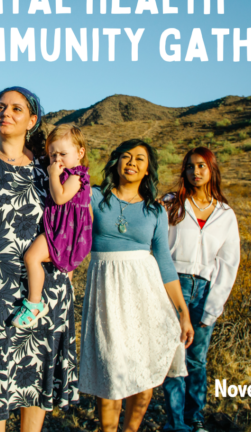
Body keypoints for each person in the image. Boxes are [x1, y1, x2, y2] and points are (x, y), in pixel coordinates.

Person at [0, 87, 79, 432]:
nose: (6, 113)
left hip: (44, 292)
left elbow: (75, 216)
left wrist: (71, 260)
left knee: (34, 380)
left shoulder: (50, 169)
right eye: (0, 107)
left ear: (32, 120)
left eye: (16, 108)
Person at [80, 139, 195, 432]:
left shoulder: (155, 212)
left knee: (144, 368)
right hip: (107, 293)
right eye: (126, 157)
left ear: (147, 170)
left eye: (140, 159)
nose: (132, 163)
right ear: (116, 162)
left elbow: (165, 263)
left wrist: (182, 311)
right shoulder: (93, 197)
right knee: (111, 370)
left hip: (147, 294)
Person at [161, 147, 242, 432]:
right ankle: (175, 422)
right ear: (184, 171)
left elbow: (229, 262)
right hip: (173, 284)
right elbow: (157, 247)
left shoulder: (225, 213)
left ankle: (195, 421)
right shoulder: (171, 203)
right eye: (190, 166)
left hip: (206, 288)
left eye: (202, 166)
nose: (196, 171)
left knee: (196, 359)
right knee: (174, 358)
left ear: (211, 170)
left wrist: (214, 305)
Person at [14, 123, 93, 328]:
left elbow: (59, 198)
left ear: (80, 152)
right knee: (53, 266)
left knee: (32, 257)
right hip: (60, 228)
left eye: (62, 154)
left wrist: (53, 175)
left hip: (64, 233)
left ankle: (34, 302)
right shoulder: (65, 173)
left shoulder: (77, 177)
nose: (57, 160)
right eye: (52, 155)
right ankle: (61, 294)